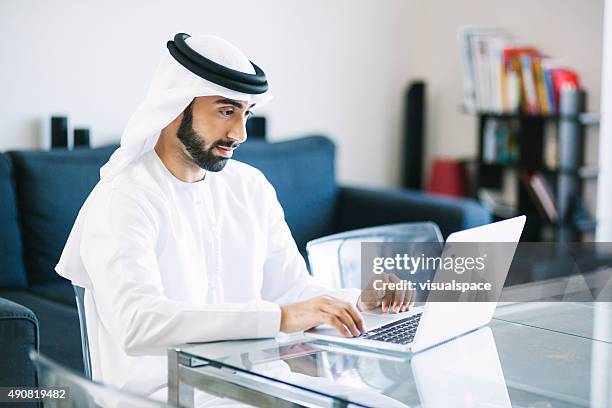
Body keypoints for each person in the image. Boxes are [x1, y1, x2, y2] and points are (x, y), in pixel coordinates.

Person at [56, 33, 413, 403]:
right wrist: (279, 318)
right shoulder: (124, 198)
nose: (239, 133)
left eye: (246, 114)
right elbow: (139, 323)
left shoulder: (250, 186)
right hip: (164, 395)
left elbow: (291, 291)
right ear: (174, 107)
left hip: (261, 381)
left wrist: (357, 302)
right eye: (226, 111)